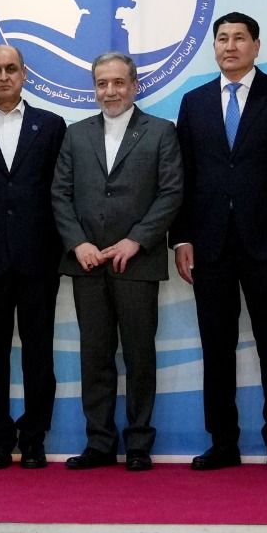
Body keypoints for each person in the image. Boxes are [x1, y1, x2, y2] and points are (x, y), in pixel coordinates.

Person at [173, 13, 267, 472]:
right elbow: (184, 177)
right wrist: (182, 237)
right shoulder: (194, 102)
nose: (230, 46)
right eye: (222, 39)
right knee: (216, 349)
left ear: (256, 45)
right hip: (210, 246)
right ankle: (223, 444)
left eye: (239, 38)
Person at [51, 52, 182, 472]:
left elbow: (171, 193)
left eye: (118, 83)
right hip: (88, 263)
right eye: (102, 83)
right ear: (94, 88)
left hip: (135, 263)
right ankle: (99, 443)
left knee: (139, 355)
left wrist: (137, 241)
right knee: (96, 356)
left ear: (134, 85)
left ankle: (139, 444)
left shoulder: (161, 132)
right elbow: (60, 195)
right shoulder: (75, 135)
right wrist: (78, 244)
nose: (110, 91)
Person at [0, 44, 66, 469]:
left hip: (39, 258)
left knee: (39, 354)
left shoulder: (52, 125)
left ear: (24, 74)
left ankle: (35, 437)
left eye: (11, 69)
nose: (3, 76)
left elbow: (62, 191)